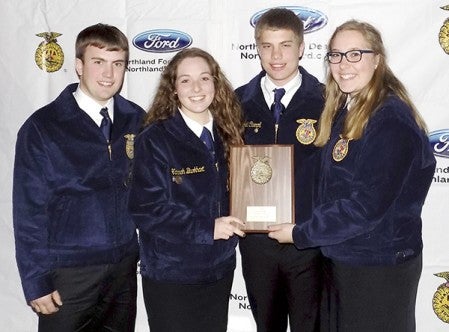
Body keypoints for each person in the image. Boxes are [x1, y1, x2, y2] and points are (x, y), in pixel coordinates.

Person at [268, 20, 436, 331]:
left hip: (378, 266)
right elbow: (330, 188)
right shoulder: (350, 110)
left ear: (377, 60)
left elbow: (365, 207)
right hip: (347, 259)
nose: (344, 64)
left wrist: (300, 233)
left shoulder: (389, 120)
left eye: (355, 54)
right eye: (336, 55)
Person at [13, 23, 145, 332]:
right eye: (98, 62)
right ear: (78, 65)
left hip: (123, 271)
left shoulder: (137, 119)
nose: (108, 74)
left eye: (118, 64)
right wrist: (36, 281)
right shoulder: (43, 127)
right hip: (67, 274)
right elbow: (29, 213)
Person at [128, 47, 245, 332]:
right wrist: (207, 228)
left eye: (205, 78)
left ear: (216, 85)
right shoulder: (155, 138)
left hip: (218, 269)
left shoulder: (228, 133)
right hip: (172, 273)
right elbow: (147, 209)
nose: (196, 88)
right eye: (185, 80)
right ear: (173, 89)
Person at [234, 8, 325, 332]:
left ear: (301, 48)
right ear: (256, 48)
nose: (276, 55)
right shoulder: (236, 102)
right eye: (267, 45)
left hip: (307, 241)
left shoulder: (326, 100)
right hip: (257, 244)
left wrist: (315, 225)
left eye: (285, 45)